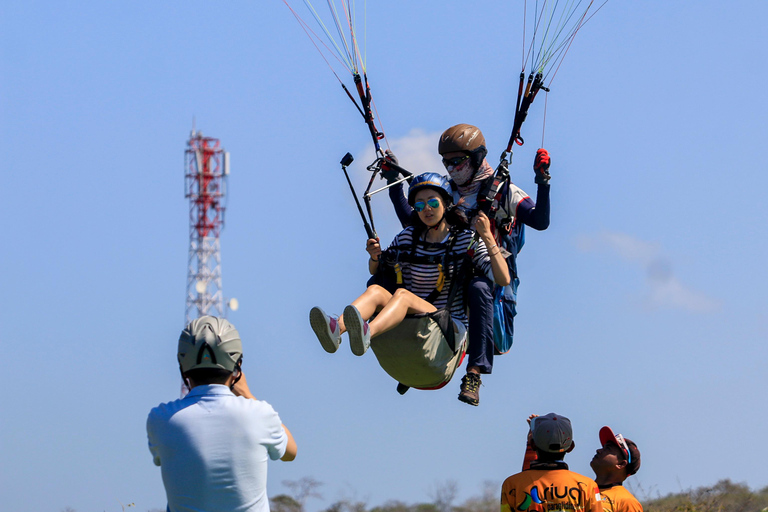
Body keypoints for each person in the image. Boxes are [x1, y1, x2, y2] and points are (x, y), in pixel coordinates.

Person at [385, 124, 551, 406]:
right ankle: (402, 340)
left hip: (485, 267)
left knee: (477, 287)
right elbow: (414, 226)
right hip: (445, 264)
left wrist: (543, 181)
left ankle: (474, 371)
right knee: (393, 271)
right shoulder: (445, 189)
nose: (452, 168)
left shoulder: (503, 191)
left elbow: (540, 221)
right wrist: (394, 185)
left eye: (458, 161)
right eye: (446, 162)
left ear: (476, 157)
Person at [310, 172, 510, 359]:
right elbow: (377, 270)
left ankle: (368, 333)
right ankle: (337, 328)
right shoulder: (408, 237)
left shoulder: (465, 240)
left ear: (447, 203)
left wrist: (487, 237)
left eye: (432, 202)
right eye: (420, 206)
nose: (427, 209)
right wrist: (374, 257)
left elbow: (503, 279)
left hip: (447, 326)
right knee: (376, 290)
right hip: (412, 316)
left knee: (402, 296)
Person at [147, 316, 297, 512]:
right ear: (238, 366)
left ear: (183, 367)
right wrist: (247, 394)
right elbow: (290, 452)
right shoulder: (259, 414)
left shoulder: (160, 419)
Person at [501, 413, 603, 512]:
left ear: (533, 445)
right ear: (571, 447)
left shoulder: (511, 484)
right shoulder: (588, 486)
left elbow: (527, 481)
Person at [590, 426, 643, 512]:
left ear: (621, 464)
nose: (598, 450)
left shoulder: (627, 502)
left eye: (608, 449)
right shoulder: (582, 490)